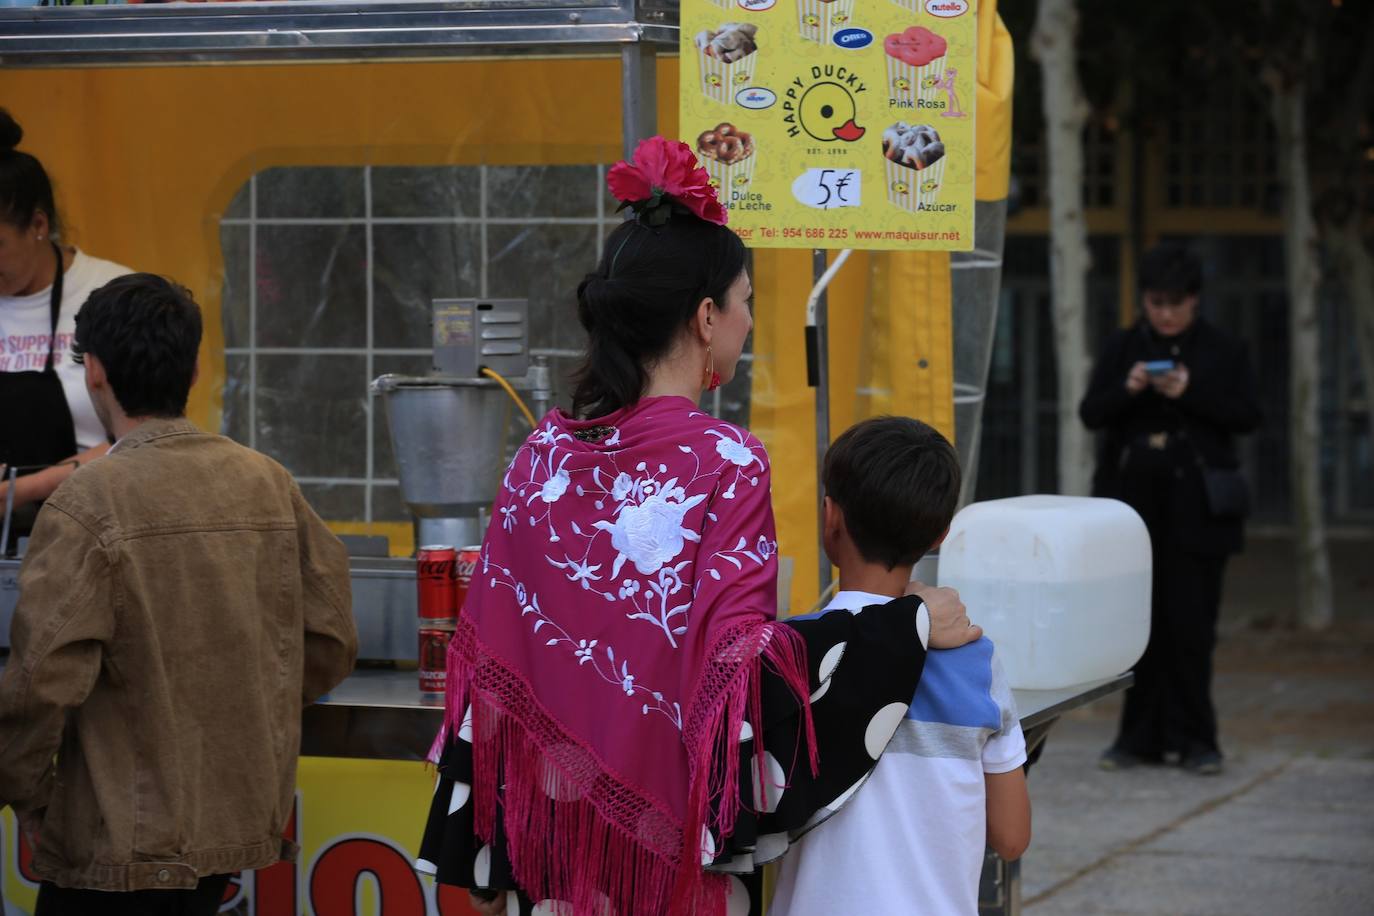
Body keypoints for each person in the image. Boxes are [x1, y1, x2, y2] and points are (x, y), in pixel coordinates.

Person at [416, 137, 981, 916]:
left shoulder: (540, 455)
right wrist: (905, 623)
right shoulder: (728, 459)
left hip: (553, 851)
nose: (749, 322)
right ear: (706, 315)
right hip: (674, 863)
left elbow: (494, 670)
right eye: (745, 300)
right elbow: (741, 672)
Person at [0, 274, 359, 915]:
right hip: (234, 833)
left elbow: (39, 682)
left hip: (115, 849)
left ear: (97, 373)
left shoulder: (87, 501)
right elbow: (330, 640)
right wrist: (242, 708)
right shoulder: (267, 482)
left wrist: (29, 797)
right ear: (195, 370)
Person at [770, 416, 1030, 916]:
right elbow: (1012, 837)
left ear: (830, 518)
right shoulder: (975, 659)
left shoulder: (789, 650)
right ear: (939, 535)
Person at [1080, 243, 1261, 776]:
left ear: (1195, 302)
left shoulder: (1222, 349)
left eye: (1175, 304)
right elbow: (1091, 413)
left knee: (1191, 627)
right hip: (1134, 512)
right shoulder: (1123, 345)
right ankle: (1138, 739)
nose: (1164, 314)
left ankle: (1198, 740)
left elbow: (1248, 415)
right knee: (1137, 627)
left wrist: (1191, 391)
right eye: (1155, 303)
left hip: (1197, 514)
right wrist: (1129, 388)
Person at [0, 108, 134, 552]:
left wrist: (23, 489)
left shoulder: (112, 295)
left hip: (91, 537)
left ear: (38, 225)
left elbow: (141, 438)